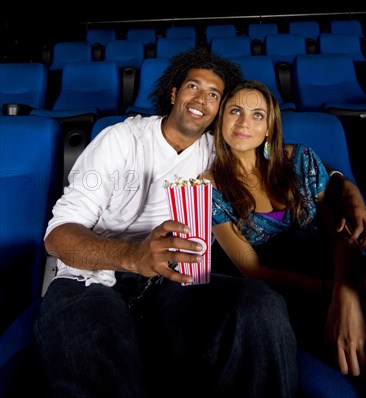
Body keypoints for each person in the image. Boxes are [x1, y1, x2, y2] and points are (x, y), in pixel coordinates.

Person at [35, 47, 365, 397]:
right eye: (193, 87)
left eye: (213, 94)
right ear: (174, 93)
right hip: (94, 281)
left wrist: (347, 187)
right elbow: (57, 237)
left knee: (260, 305)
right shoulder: (120, 140)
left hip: (177, 282)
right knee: (96, 354)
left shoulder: (219, 150)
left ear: (218, 111)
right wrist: (133, 256)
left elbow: (292, 161)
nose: (201, 99)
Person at [202, 79, 366, 392]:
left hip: (340, 268)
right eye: (234, 111)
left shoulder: (301, 160)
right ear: (220, 118)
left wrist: (346, 293)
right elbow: (252, 269)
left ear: (269, 128)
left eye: (257, 115)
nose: (244, 122)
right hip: (287, 294)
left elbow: (337, 234)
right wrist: (331, 293)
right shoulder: (209, 187)